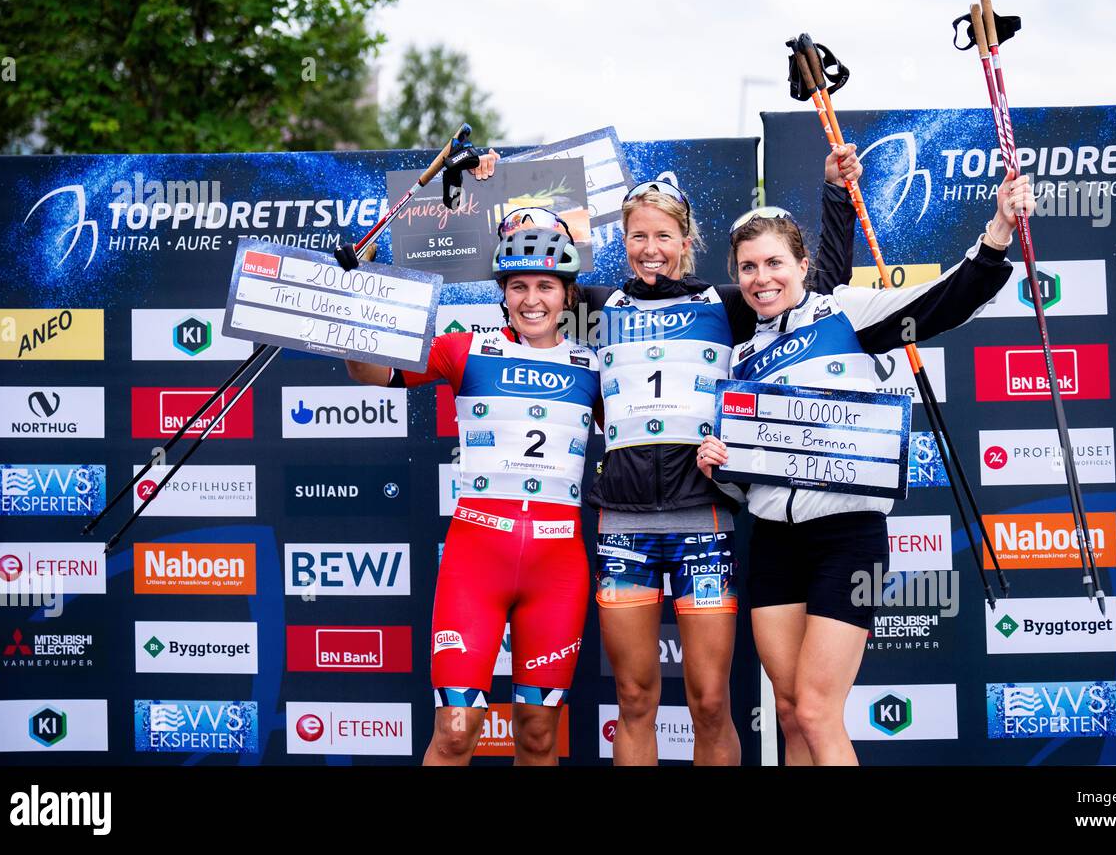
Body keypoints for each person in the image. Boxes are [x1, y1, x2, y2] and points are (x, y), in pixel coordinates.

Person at [696, 172, 1033, 765]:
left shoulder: (845, 314)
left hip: (847, 538)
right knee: (790, 711)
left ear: (803, 264)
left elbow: (942, 302)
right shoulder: (741, 355)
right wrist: (718, 463)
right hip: (774, 541)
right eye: (747, 268)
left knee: (819, 710)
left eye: (774, 262)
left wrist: (1000, 229)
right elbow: (742, 473)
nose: (761, 279)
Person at [580, 147, 861, 766]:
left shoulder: (726, 303)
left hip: (704, 520)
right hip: (623, 523)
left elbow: (816, 293)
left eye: (664, 235)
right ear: (622, 242)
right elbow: (527, 296)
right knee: (632, 698)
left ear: (686, 241)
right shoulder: (595, 308)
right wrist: (486, 195)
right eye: (637, 236)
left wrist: (836, 195)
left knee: (709, 702)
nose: (650, 247)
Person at [346, 208, 598, 766]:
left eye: (546, 286)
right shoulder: (465, 349)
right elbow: (373, 374)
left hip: (557, 568)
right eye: (519, 286)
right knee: (457, 732)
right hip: (475, 560)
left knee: (537, 735)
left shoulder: (593, 366)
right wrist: (351, 307)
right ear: (503, 293)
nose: (533, 299)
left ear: (567, 295)